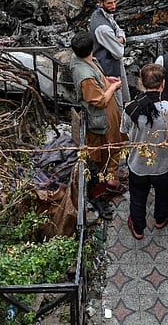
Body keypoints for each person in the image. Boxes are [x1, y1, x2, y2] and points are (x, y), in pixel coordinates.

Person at [121, 64, 168, 240]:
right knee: (163, 194)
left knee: (137, 197)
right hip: (164, 164)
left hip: (137, 165)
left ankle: (138, 228)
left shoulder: (130, 110)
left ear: (141, 83)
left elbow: (124, 133)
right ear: (163, 84)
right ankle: (160, 218)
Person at [69, 32, 128, 215]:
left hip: (107, 112)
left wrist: (105, 81)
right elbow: (99, 100)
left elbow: (96, 79)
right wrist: (113, 87)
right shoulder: (85, 76)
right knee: (109, 147)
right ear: (92, 47)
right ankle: (110, 181)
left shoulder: (81, 60)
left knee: (112, 144)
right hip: (101, 116)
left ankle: (112, 174)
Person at [89, 0, 129, 102]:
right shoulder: (102, 28)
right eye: (109, 3)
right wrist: (120, 40)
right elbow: (118, 52)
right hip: (108, 68)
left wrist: (120, 38)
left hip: (110, 63)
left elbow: (119, 30)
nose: (113, 6)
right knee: (115, 100)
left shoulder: (104, 14)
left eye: (115, 2)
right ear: (100, 3)